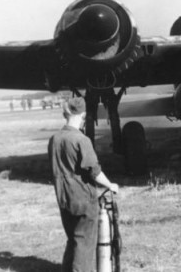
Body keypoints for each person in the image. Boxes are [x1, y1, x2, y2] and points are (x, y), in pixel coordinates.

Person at [48, 97, 119, 271]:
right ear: (84, 115)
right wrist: (110, 185)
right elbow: (94, 171)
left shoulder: (55, 139)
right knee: (84, 245)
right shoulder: (81, 140)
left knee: (73, 239)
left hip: (63, 197)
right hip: (82, 199)